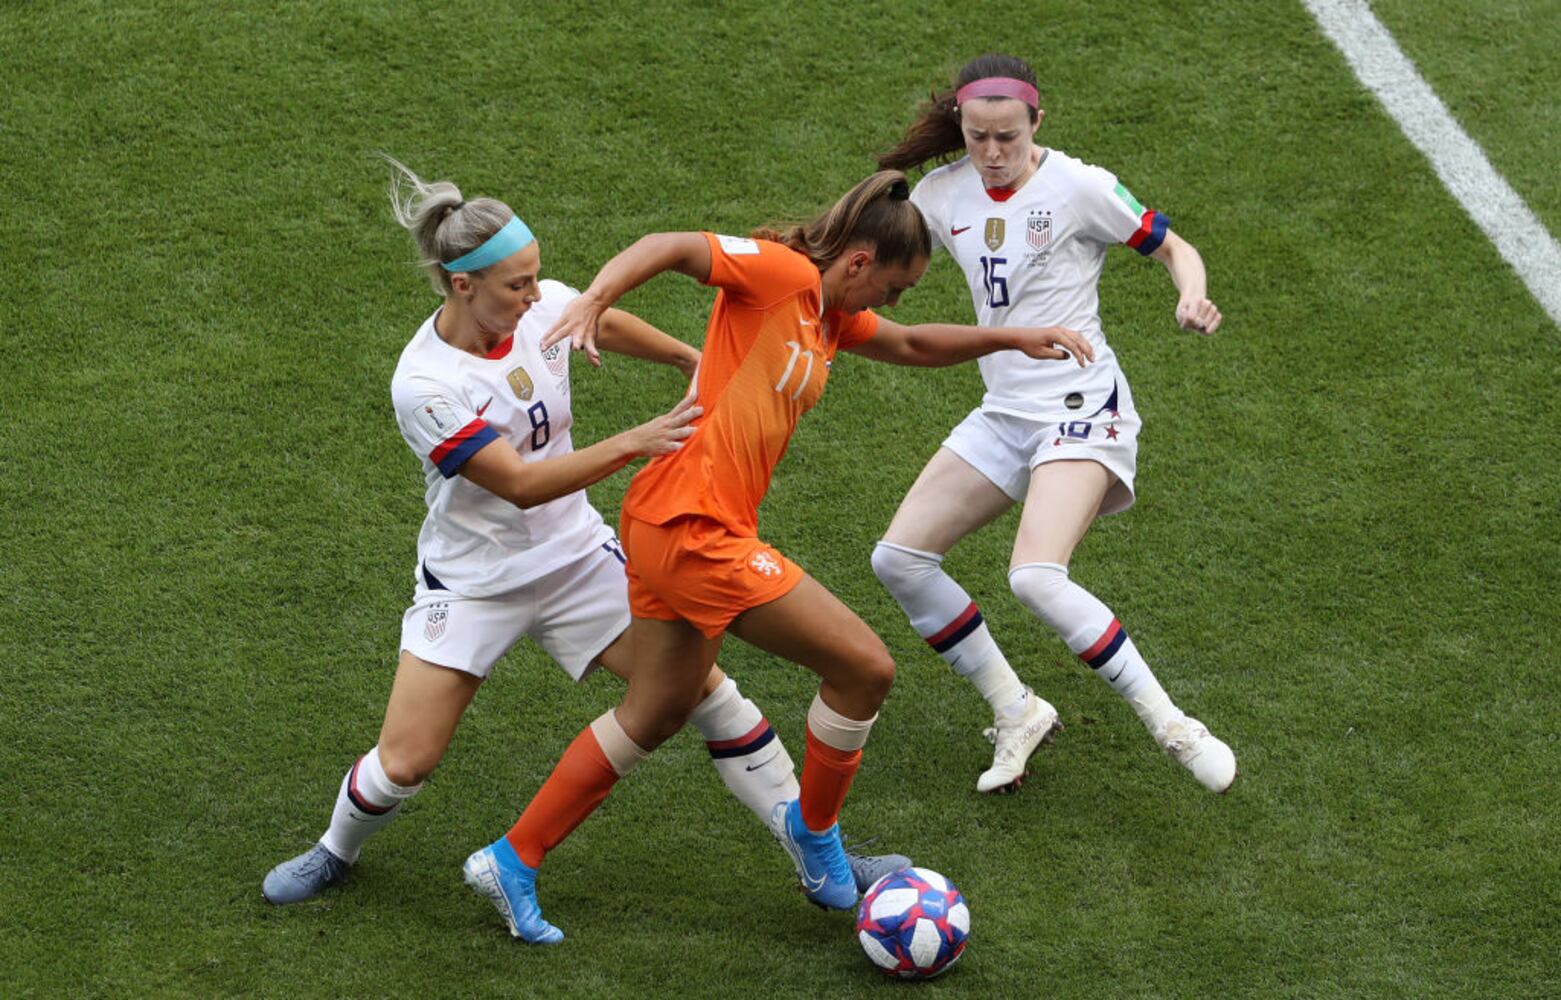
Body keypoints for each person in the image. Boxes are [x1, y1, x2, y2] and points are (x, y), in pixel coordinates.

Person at [461, 170, 1096, 943]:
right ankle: (814, 835)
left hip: (677, 522)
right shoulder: (781, 277)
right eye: (891, 286)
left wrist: (1014, 338)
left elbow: (911, 343)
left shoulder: (830, 317)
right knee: (864, 668)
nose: (889, 305)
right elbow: (670, 247)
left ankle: (511, 857)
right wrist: (593, 299)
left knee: (655, 709)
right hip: (692, 526)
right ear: (858, 262)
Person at [261, 158, 907, 907]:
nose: (536, 296)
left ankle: (815, 849)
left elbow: (589, 313)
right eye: (518, 285)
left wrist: (684, 355)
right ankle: (333, 852)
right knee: (406, 762)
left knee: (700, 692)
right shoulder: (426, 384)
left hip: (574, 557)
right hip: (476, 580)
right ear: (461, 285)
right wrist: (633, 442)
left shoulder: (535, 307)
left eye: (537, 278)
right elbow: (520, 483)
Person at [869, 53, 1237, 796]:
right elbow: (875, 251)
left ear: (1037, 122)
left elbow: (1172, 246)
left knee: (1035, 576)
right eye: (977, 137)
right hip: (1004, 412)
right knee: (898, 560)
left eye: (1007, 136)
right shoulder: (942, 194)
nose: (993, 153)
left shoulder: (1080, 186)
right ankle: (1016, 708)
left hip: (1080, 410)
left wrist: (1189, 295)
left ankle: (1172, 724)